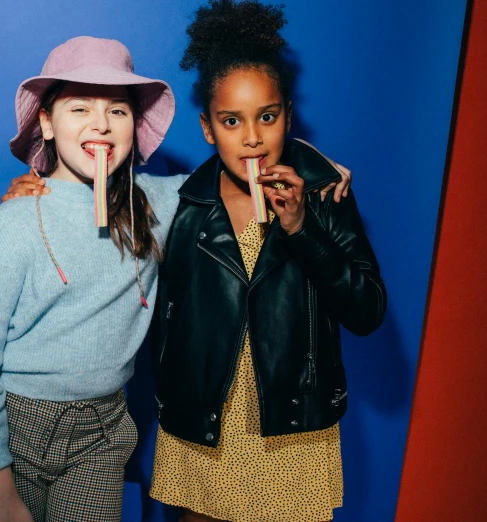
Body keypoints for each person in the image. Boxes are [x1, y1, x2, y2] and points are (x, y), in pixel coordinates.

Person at [148, 2, 387, 521]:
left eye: (267, 116)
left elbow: (368, 311)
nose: (252, 137)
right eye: (231, 121)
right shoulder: (182, 204)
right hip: (204, 429)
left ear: (287, 117)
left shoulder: (324, 194)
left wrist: (302, 228)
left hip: (293, 429)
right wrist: (37, 189)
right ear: (208, 128)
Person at [0, 36, 185, 522]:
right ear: (47, 123)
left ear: (134, 126)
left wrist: (310, 163)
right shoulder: (11, 225)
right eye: (80, 108)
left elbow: (241, 161)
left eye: (117, 110)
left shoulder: (156, 203)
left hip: (102, 429)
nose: (100, 123)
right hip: (13, 429)